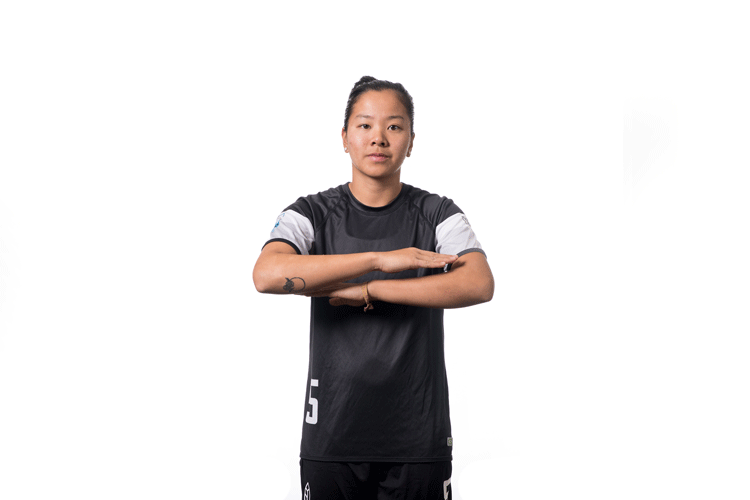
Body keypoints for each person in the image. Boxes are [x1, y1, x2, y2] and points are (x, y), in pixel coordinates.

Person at [253, 76, 494, 500]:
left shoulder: (438, 213)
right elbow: (267, 274)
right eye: (364, 125)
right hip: (331, 435)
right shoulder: (311, 212)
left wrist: (372, 290)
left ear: (411, 141)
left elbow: (478, 282)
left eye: (394, 126)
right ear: (344, 137)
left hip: (418, 438)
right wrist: (379, 260)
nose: (378, 137)